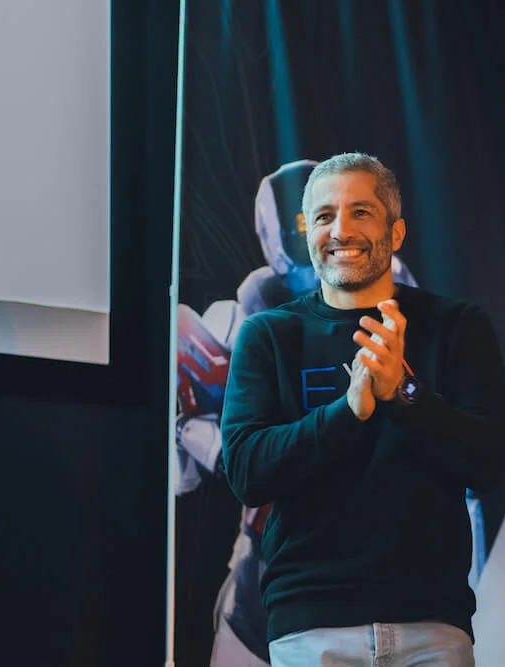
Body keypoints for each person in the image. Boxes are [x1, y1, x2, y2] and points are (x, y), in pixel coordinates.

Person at [220, 152, 505, 666]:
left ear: (396, 232)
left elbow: (488, 462)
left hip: (432, 627)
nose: (341, 230)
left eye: (361, 211)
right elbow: (247, 472)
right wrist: (348, 411)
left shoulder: (457, 327)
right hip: (312, 630)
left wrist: (404, 392)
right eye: (325, 216)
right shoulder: (269, 334)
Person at [175, 159, 424, 667]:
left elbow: (454, 448)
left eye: (356, 215)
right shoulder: (253, 311)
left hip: (391, 573)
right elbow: (225, 462)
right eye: (324, 218)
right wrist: (193, 432)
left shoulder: (410, 308)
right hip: (281, 571)